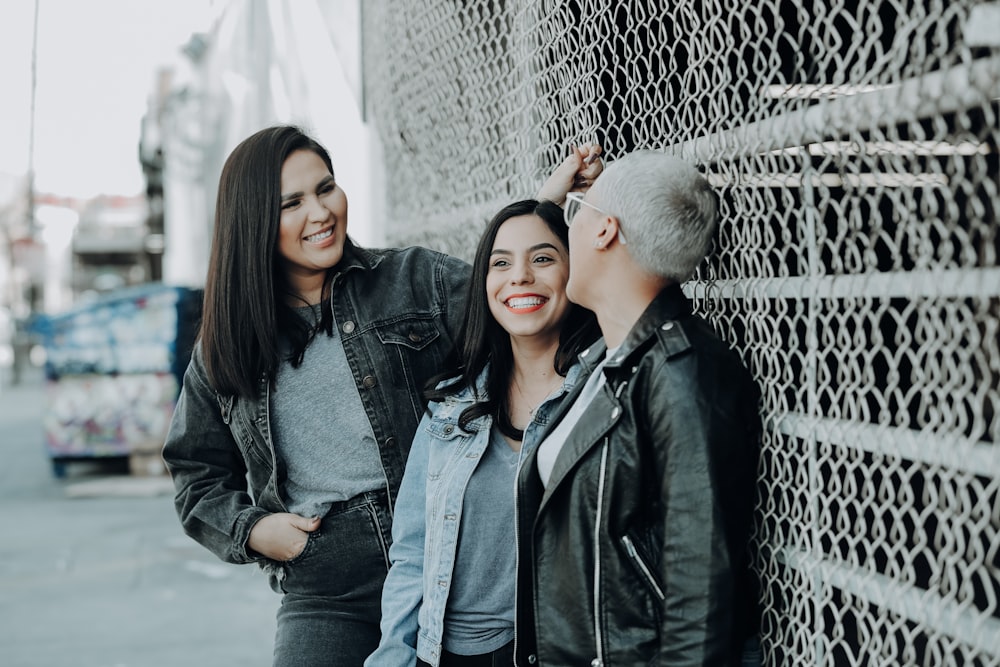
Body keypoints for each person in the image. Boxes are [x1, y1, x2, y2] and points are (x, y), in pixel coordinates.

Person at [161, 125, 471, 667]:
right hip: (328, 583)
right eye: (292, 203)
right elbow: (195, 473)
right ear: (254, 222)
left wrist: (541, 212)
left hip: (448, 550)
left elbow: (514, 303)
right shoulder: (227, 346)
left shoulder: (415, 279)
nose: (321, 212)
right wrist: (255, 530)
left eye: (326, 188)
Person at [515, 150, 762, 666]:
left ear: (604, 231)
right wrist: (546, 205)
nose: (567, 224)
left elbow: (701, 592)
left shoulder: (682, 376)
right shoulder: (605, 359)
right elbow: (502, 294)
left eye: (576, 210)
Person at [364, 147, 603, 667]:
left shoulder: (601, 394)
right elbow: (412, 553)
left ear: (575, 271)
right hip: (444, 654)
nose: (518, 277)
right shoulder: (453, 404)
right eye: (501, 264)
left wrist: (575, 207)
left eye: (543, 259)